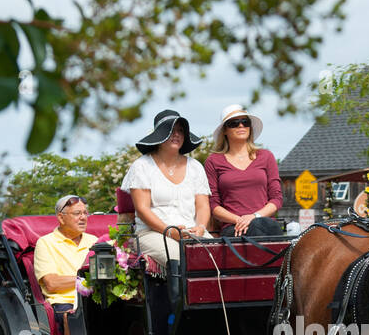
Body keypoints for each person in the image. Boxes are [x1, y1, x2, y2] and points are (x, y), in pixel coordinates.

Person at [121, 110, 211, 266]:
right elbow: (142, 209)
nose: (176, 135)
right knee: (177, 257)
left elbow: (203, 205)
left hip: (191, 232)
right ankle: (180, 291)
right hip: (152, 232)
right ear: (159, 135)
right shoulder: (142, 165)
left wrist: (201, 227)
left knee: (219, 254)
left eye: (180, 131)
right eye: (171, 131)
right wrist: (169, 231)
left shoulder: (195, 166)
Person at [204, 105, 283, 238]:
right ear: (225, 130)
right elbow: (213, 205)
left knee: (263, 227)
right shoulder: (213, 161)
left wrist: (253, 217)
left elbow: (276, 198)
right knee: (255, 230)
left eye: (245, 122)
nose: (241, 126)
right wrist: (239, 220)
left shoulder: (266, 156)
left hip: (266, 224)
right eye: (234, 123)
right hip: (233, 227)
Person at [33, 195, 97, 334]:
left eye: (85, 213)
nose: (83, 217)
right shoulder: (45, 243)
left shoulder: (95, 242)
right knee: (74, 317)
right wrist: (90, 279)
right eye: (77, 213)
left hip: (95, 298)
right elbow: (52, 283)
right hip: (64, 302)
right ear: (61, 218)